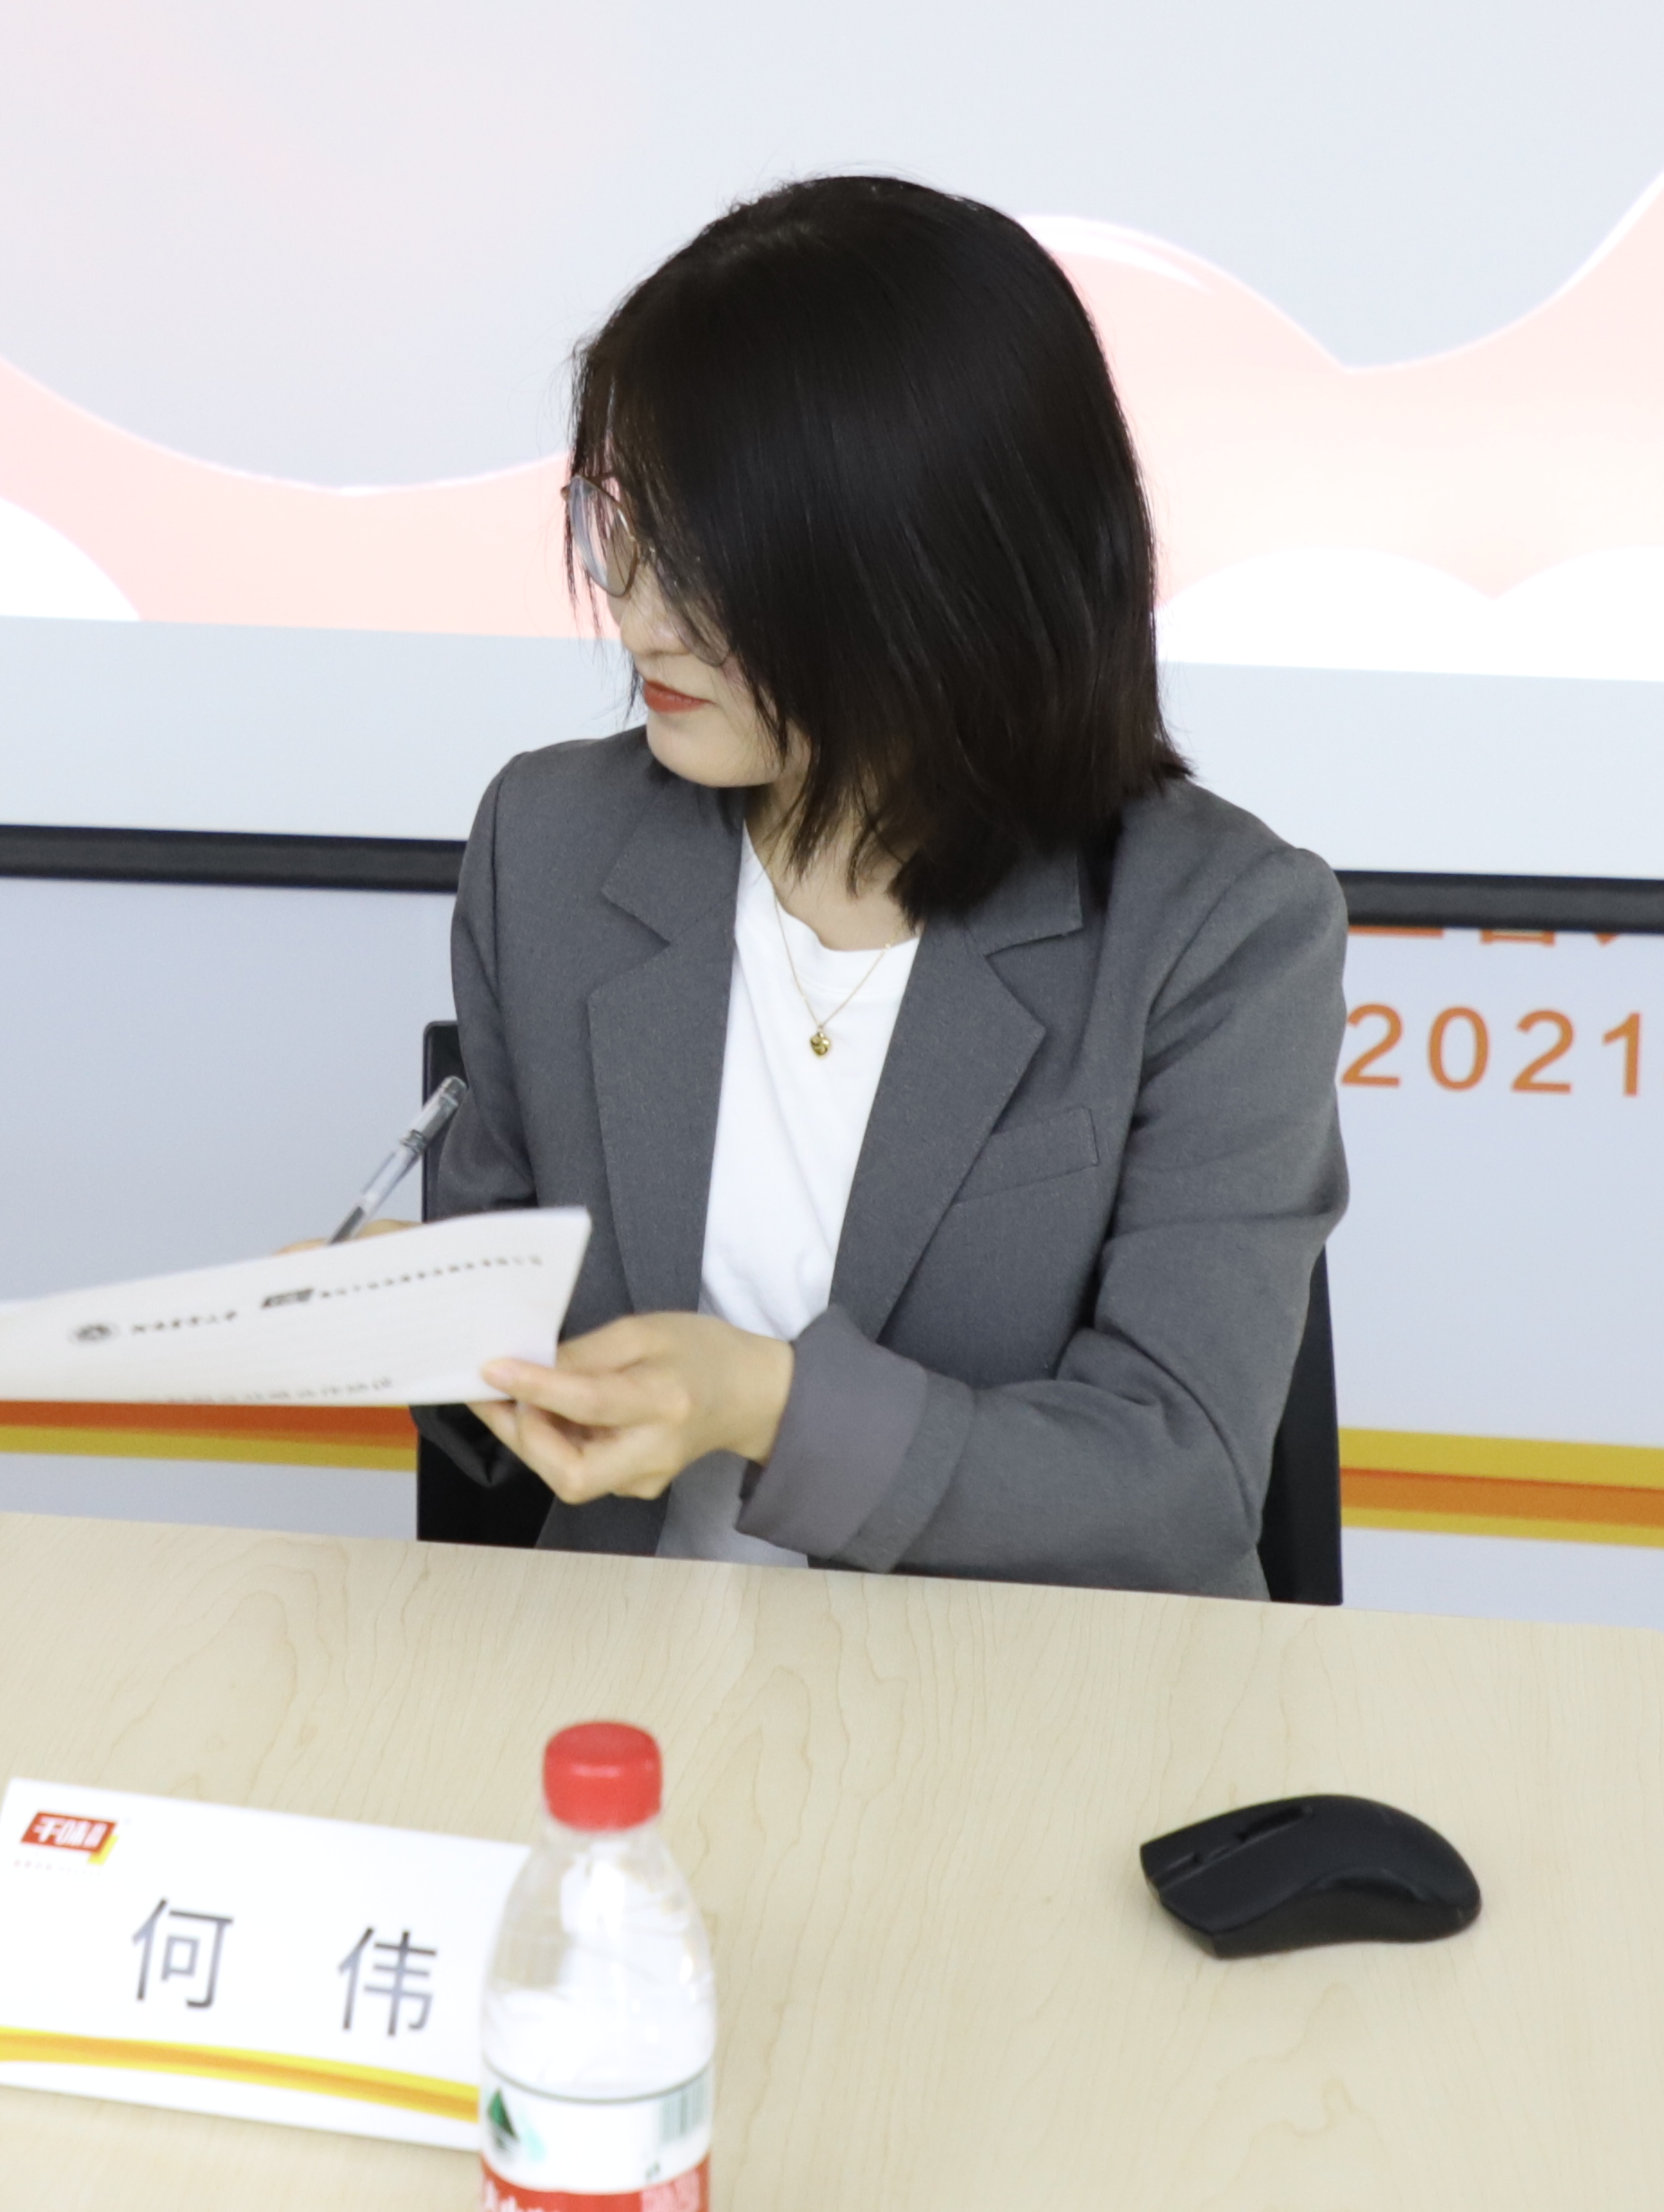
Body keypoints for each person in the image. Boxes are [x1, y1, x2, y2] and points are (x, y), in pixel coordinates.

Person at [419, 175, 1346, 1597]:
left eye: (713, 561)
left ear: (935, 568)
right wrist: (395, 1325)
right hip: (627, 1668)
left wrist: (767, 1404)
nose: (639, 612)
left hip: (1026, 1693)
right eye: (621, 523)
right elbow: (499, 1379)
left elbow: (1175, 1479)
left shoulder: (1220, 929)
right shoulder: (548, 842)